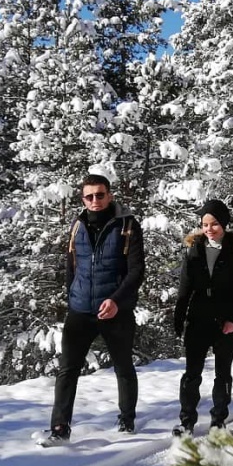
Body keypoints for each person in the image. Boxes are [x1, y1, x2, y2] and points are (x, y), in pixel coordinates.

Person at [46, 173, 145, 442]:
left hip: (115, 309)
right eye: (89, 196)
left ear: (109, 195)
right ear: (83, 199)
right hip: (81, 309)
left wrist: (116, 301)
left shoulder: (127, 225)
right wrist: (72, 296)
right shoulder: (77, 226)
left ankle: (127, 420)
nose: (95, 200)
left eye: (100, 195)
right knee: (67, 369)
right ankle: (59, 427)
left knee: (123, 367)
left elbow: (136, 271)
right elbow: (71, 266)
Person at [172, 199, 233, 437]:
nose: (209, 229)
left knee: (222, 373)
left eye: (214, 224)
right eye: (205, 224)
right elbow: (185, 287)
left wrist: (232, 319)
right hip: (199, 315)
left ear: (223, 224)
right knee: (192, 372)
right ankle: (186, 421)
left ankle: (218, 420)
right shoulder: (194, 250)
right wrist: (179, 315)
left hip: (225, 317)